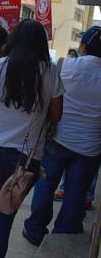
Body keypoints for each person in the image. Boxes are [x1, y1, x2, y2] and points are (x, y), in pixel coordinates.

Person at [0, 19, 64, 258]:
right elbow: (56, 115)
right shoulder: (49, 72)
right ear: (41, 44)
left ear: (12, 40)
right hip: (23, 162)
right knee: (3, 221)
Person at [23, 26, 101, 246]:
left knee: (45, 185)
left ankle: (35, 229)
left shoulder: (63, 66)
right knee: (76, 192)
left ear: (83, 46)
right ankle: (63, 234)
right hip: (89, 147)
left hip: (58, 138)